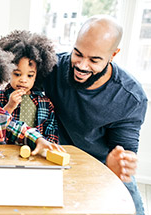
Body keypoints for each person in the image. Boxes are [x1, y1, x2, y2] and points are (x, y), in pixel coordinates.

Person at [43, 15, 147, 215]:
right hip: (58, 154)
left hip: (102, 162)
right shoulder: (53, 68)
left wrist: (120, 163)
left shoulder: (130, 96)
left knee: (133, 210)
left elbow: (123, 149)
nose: (81, 65)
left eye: (94, 60)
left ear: (113, 55)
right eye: (78, 53)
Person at [0, 30, 58, 144]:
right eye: (17, 74)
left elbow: (51, 132)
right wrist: (10, 106)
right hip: (5, 153)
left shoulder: (45, 103)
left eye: (30, 75)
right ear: (7, 71)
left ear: (37, 75)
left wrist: (48, 147)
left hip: (35, 154)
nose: (23, 80)